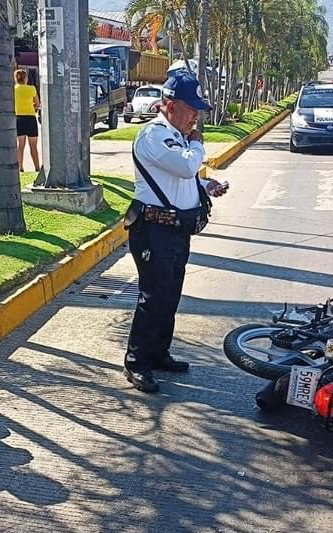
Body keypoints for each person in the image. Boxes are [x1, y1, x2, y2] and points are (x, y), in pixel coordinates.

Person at [122, 72, 229, 394]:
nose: (196, 115)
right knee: (153, 297)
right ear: (170, 105)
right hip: (152, 228)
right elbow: (184, 167)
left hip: (175, 229)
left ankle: (158, 352)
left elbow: (181, 177)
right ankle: (137, 362)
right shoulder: (154, 136)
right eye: (191, 108)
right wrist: (197, 144)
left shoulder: (177, 136)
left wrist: (205, 185)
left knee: (170, 294)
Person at [13, 69, 40, 173]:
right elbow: (37, 104)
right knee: (33, 146)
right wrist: (32, 107)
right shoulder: (31, 89)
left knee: (20, 146)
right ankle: (37, 167)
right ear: (25, 78)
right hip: (30, 118)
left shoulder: (14, 89)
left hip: (19, 118)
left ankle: (20, 167)